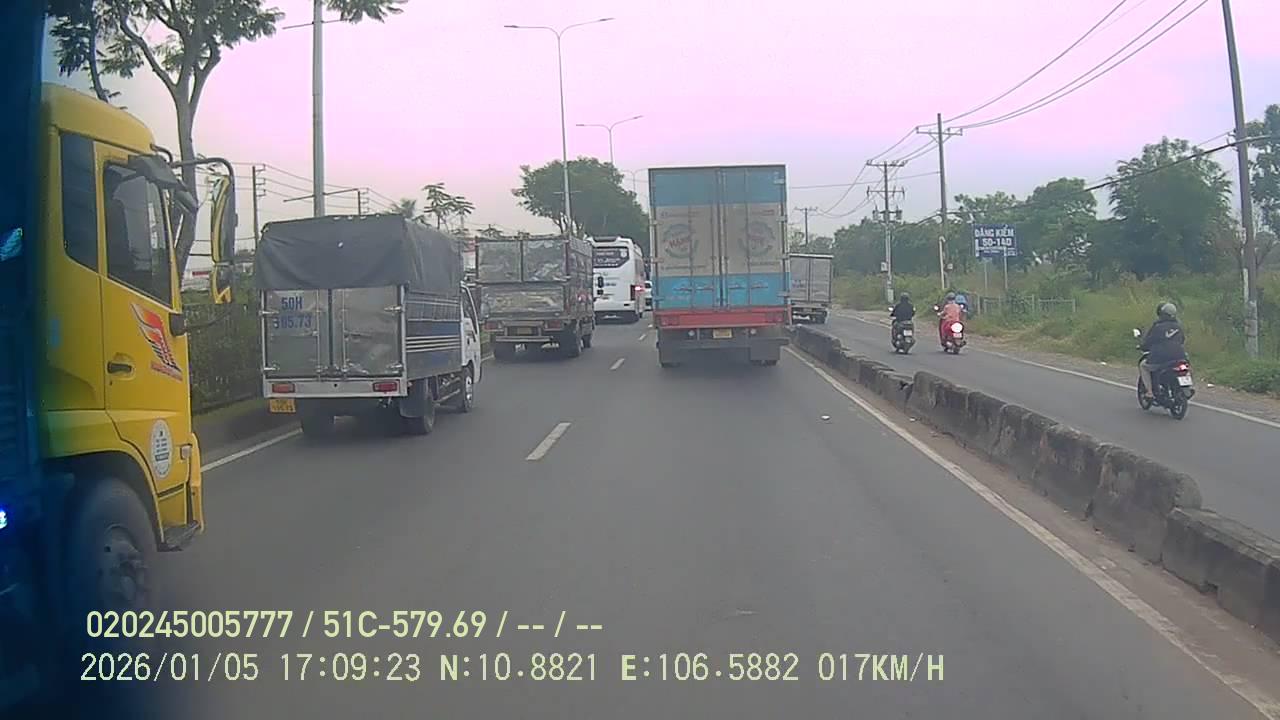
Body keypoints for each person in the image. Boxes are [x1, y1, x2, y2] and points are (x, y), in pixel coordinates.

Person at [1138, 302, 1187, 399]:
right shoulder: (1178, 326)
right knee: (1185, 367)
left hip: (1161, 358)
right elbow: (1182, 340)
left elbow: (1149, 341)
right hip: (1179, 356)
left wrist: (1142, 346)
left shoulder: (1158, 326)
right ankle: (1187, 388)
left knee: (1143, 366)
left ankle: (1150, 392)